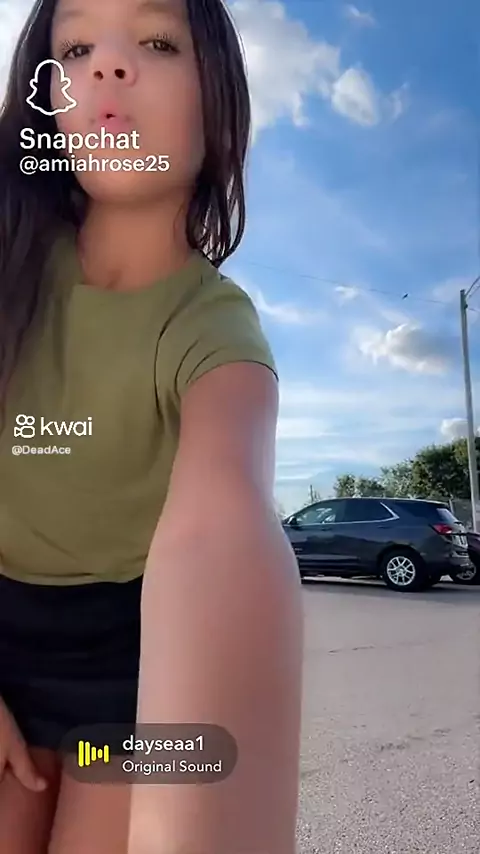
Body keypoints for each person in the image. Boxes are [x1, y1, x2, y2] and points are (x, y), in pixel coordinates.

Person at [0, 0, 303, 852]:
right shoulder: (9, 259)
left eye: (158, 41)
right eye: (75, 48)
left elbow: (221, 528)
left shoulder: (215, 327)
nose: (108, 65)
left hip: (133, 684)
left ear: (220, 108)